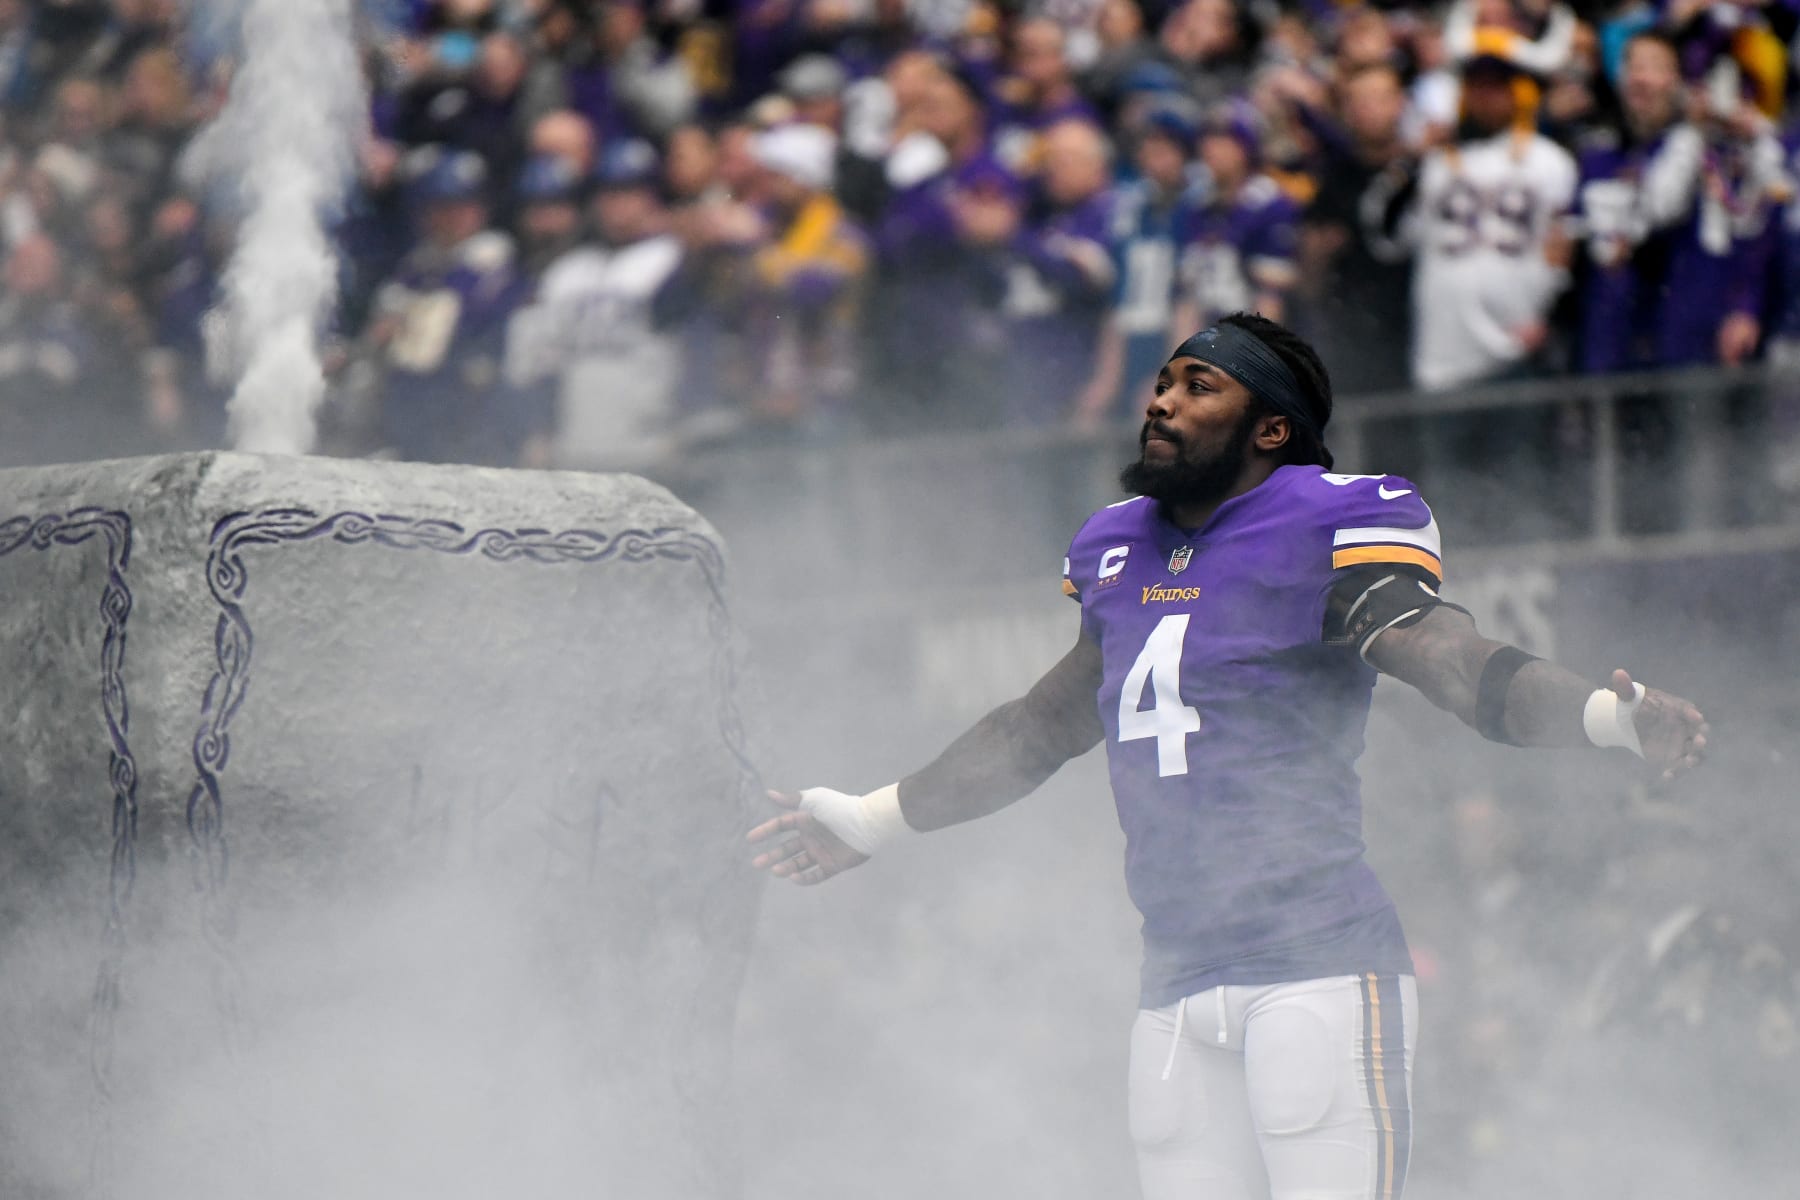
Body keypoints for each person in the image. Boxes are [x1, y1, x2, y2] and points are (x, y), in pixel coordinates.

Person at [748, 311, 1710, 1200]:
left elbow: (1449, 660)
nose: (1161, 399)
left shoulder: (1329, 517)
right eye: (1162, 381)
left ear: (1272, 429)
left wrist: (1606, 718)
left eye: (1199, 385)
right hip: (1172, 985)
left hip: (1319, 971)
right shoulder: (1117, 548)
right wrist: (872, 819)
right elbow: (1037, 727)